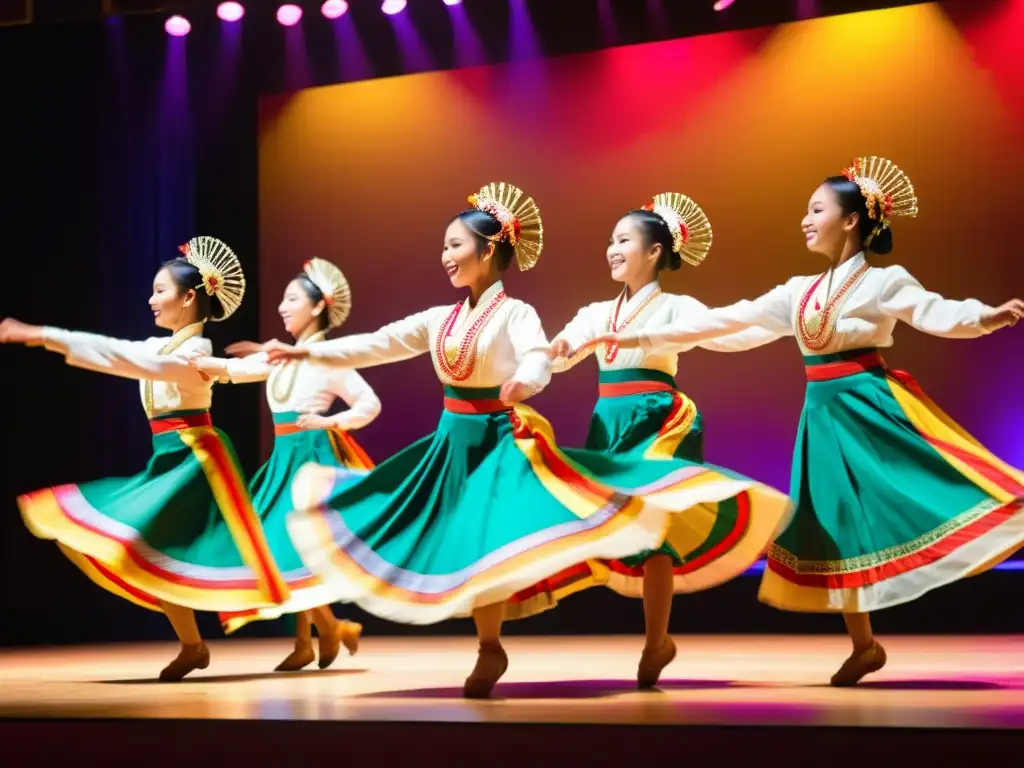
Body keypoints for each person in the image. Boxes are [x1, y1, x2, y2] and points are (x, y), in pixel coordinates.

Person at [256, 181, 792, 697]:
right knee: (482, 539)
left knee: (647, 522)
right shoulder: (455, 317)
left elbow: (713, 329)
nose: (444, 255)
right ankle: (493, 644)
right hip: (477, 436)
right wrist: (304, 352)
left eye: (455, 245)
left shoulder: (522, 312)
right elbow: (382, 344)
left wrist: (529, 378)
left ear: (488, 251)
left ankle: (650, 638)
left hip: (631, 419)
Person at [580, 157, 1024, 685]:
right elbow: (731, 318)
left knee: (919, 486)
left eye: (817, 210)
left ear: (852, 219)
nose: (806, 220)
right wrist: (629, 338)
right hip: (823, 414)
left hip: (872, 406)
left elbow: (933, 310)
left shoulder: (883, 281)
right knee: (831, 521)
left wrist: (982, 317)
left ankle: (1002, 511)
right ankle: (865, 645)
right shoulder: (798, 291)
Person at [1, 237, 290, 681]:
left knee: (196, 547)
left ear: (189, 297)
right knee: (153, 547)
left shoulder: (198, 351)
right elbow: (117, 349)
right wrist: (47, 339)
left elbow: (127, 358)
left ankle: (310, 623)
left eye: (160, 290)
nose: (151, 299)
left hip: (196, 456)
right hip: (169, 455)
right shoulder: (161, 347)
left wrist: (41, 336)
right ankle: (193, 646)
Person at [545, 193, 790, 686]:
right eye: (609, 240)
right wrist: (555, 352)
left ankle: (656, 639)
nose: (611, 249)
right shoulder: (595, 311)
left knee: (655, 528)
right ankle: (659, 639)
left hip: (661, 418)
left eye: (623, 240)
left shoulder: (679, 307)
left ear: (655, 251)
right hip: (609, 422)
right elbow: (560, 352)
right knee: (620, 527)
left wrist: (786, 324)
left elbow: (728, 332)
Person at [190, 258, 375, 671]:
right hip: (285, 458)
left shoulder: (330, 357)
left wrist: (331, 421)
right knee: (279, 545)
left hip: (312, 460)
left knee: (297, 545)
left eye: (291, 299)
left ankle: (325, 631)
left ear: (316, 307)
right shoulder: (282, 357)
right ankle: (321, 634)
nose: (281, 307)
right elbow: (248, 369)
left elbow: (369, 404)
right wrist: (213, 368)